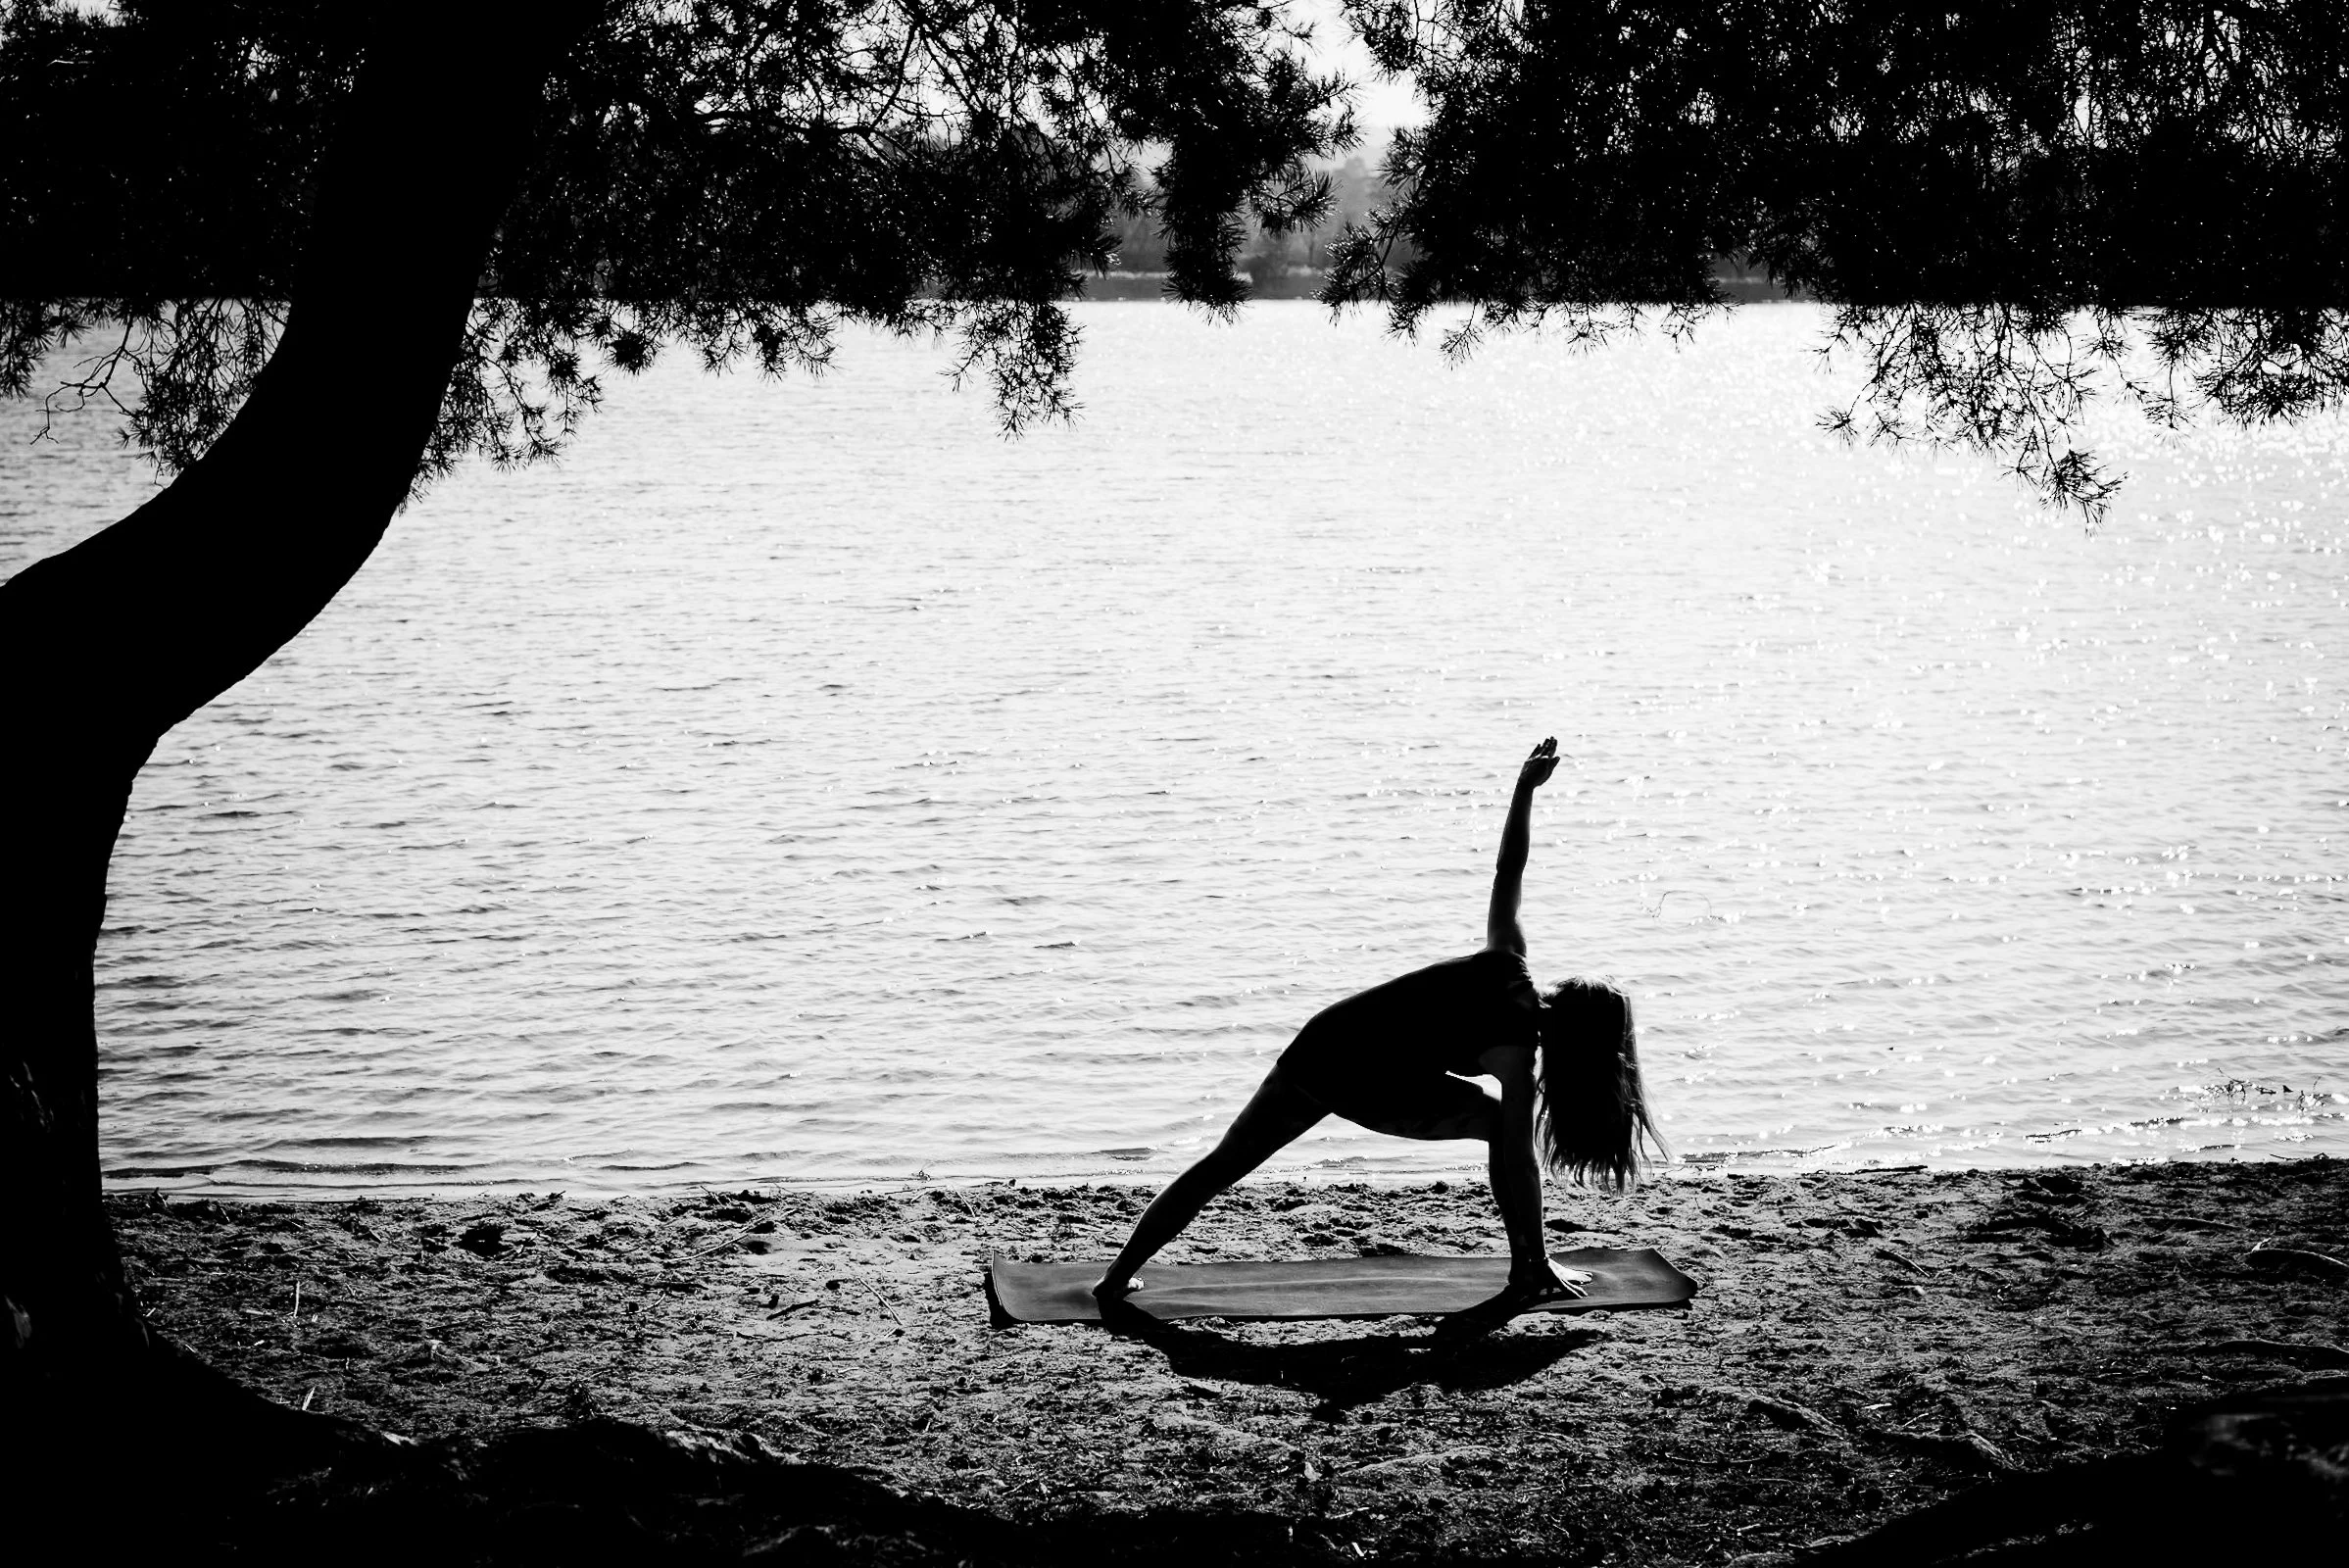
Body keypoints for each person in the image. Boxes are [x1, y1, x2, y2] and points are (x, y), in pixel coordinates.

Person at [1093, 737, 1661, 1331]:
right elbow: (1518, 1160)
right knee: (1499, 1124)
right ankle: (1529, 1271)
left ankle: (1116, 1277)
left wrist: (1523, 790)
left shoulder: (1508, 958)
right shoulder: (1516, 1055)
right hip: (1363, 1074)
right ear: (1585, 1046)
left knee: (1225, 1163)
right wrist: (1540, 1255)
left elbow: (1508, 869)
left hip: (1326, 1041)